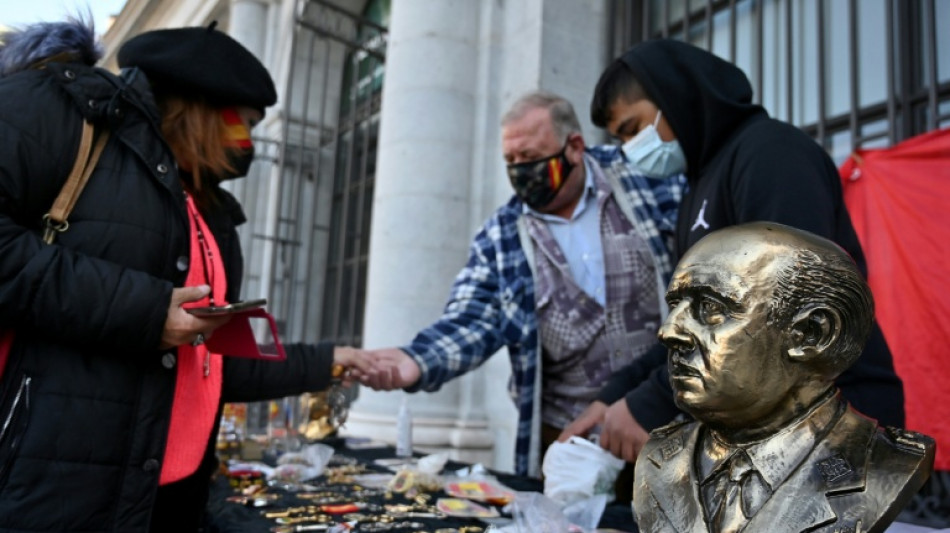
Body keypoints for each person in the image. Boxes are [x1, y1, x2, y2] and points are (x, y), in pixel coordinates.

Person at [0, 20, 369, 532]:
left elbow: (216, 364)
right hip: (47, 495)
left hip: (168, 500)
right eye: (246, 123)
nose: (248, 144)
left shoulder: (210, 211)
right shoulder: (58, 109)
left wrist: (329, 360)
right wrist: (148, 312)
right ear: (204, 107)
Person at [561, 38, 905, 463]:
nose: (631, 150)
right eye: (619, 139)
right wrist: (616, 396)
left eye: (633, 129)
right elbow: (690, 321)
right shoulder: (696, 189)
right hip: (764, 429)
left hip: (835, 419)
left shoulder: (770, 154)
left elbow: (774, 305)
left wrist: (649, 404)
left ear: (676, 97)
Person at [359, 90, 684, 477]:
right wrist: (418, 360)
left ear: (575, 147)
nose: (519, 170)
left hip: (666, 418)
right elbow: (472, 317)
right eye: (510, 161)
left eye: (529, 157)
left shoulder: (642, 179)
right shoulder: (501, 236)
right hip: (571, 441)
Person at [634, 222, 934, 533]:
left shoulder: (884, 465)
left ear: (812, 333)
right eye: (674, 306)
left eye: (710, 307)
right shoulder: (660, 458)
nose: (668, 331)